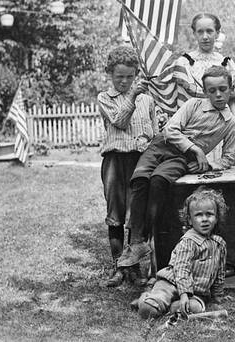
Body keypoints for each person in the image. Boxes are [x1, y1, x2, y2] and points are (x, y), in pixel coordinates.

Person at [116, 65, 235, 271]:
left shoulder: (231, 123)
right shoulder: (193, 105)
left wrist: (206, 163)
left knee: (159, 181)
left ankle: (144, 238)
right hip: (161, 145)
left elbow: (229, 158)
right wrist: (197, 149)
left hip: (183, 158)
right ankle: (136, 242)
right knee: (140, 179)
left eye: (223, 89)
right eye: (212, 90)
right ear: (205, 90)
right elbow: (171, 129)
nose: (218, 95)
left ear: (230, 88)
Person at [97, 45, 158, 287]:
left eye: (130, 77)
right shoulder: (105, 98)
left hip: (139, 162)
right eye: (119, 76)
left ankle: (131, 267)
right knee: (116, 215)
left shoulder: (147, 100)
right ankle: (117, 268)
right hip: (115, 161)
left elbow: (153, 131)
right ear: (110, 74)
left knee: (136, 215)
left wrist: (148, 138)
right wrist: (132, 97)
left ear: (137, 75)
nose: (124, 81)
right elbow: (120, 122)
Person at [135, 187, 228, 318]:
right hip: (171, 283)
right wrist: (184, 294)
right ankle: (148, 299)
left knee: (194, 308)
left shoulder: (220, 244)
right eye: (198, 215)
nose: (204, 219)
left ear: (217, 217)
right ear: (190, 220)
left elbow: (219, 274)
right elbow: (181, 269)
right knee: (148, 310)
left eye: (209, 214)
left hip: (196, 292)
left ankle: (170, 306)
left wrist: (217, 298)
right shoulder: (188, 241)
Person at [175, 13, 235, 163]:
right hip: (194, 130)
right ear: (194, 34)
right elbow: (181, 103)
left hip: (221, 128)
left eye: (209, 31)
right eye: (200, 32)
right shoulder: (185, 63)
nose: (205, 36)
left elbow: (233, 99)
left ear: (218, 33)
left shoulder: (225, 63)